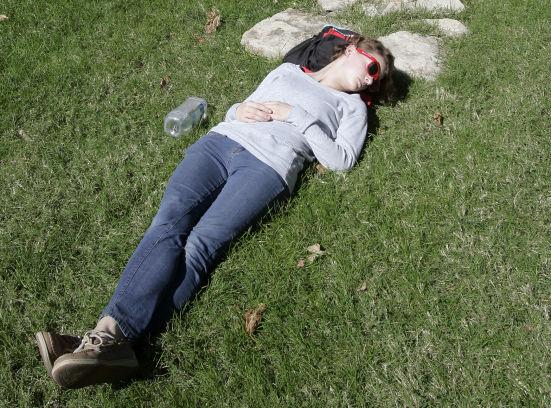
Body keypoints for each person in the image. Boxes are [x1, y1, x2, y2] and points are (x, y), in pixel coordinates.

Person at [36, 36, 395, 390]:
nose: (371, 80)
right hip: (219, 144)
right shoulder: (286, 72)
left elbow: (341, 160)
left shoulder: (352, 107)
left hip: (268, 167)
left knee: (200, 246)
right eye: (372, 68)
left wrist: (297, 116)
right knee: (167, 226)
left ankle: (102, 339)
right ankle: (107, 347)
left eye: (377, 81)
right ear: (351, 50)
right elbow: (237, 108)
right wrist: (238, 110)